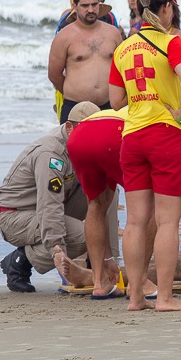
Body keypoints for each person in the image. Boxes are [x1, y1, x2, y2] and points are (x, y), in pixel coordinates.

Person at [108, 0, 181, 312]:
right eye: (172, 4)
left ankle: (134, 298)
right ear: (166, 7)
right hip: (165, 133)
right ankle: (163, 296)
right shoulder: (171, 41)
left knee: (134, 221)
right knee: (166, 222)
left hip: (132, 136)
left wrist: (142, 97)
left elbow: (115, 100)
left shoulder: (124, 47)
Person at [0, 101, 99, 293]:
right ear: (69, 127)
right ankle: (19, 262)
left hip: (53, 203)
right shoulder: (51, 154)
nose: (92, 138)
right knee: (85, 236)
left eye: (97, 132)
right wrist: (57, 250)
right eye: (85, 131)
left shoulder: (88, 146)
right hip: (15, 214)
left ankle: (98, 266)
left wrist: (106, 259)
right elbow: (49, 205)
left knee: (103, 190)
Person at [65, 106, 127, 299]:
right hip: (117, 133)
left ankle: (98, 282)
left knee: (97, 204)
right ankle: (141, 282)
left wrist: (108, 257)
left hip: (82, 138)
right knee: (143, 206)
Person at [48, 0, 124, 123]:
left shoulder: (113, 33)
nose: (90, 10)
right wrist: (77, 91)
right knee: (73, 146)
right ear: (75, 6)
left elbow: (122, 68)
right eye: (85, 5)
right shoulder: (64, 37)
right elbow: (54, 74)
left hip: (109, 106)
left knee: (110, 146)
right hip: (75, 107)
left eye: (94, 4)